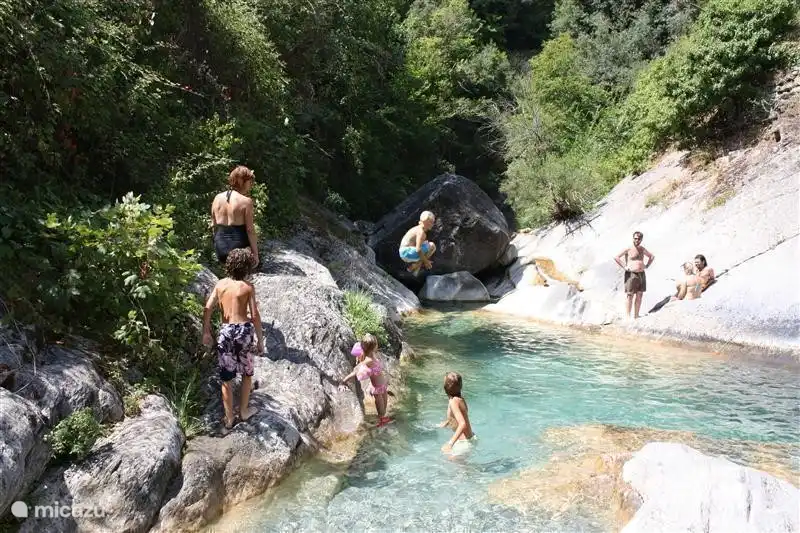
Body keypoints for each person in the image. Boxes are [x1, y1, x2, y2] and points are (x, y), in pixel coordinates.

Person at [202, 248, 264, 433]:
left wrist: (206, 330)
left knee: (226, 377)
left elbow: (207, 307)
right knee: (246, 372)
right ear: (246, 268)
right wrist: (260, 340)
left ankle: (229, 418)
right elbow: (254, 316)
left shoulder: (220, 285)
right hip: (244, 331)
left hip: (226, 331)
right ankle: (243, 411)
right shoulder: (247, 287)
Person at [339, 334, 391, 427]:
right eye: (376, 344)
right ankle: (381, 419)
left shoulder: (372, 355)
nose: (377, 346)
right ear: (373, 347)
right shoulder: (368, 360)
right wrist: (343, 382)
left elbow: (361, 347)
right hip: (377, 387)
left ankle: (383, 417)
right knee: (380, 404)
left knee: (385, 400)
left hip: (382, 385)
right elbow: (356, 371)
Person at [211, 165, 259, 267]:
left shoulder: (217, 198)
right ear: (242, 181)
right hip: (239, 251)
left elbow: (213, 226)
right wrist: (256, 255)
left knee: (229, 271)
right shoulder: (246, 202)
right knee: (242, 273)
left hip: (220, 248)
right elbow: (250, 230)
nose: (251, 184)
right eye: (250, 181)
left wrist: (218, 244)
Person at [614, 231, 655, 319]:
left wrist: (647, 265)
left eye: (639, 239)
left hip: (641, 274)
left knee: (640, 294)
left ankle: (636, 315)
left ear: (641, 239)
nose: (637, 240)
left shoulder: (642, 249)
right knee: (630, 295)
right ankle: (628, 316)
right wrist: (624, 266)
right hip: (631, 274)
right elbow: (616, 257)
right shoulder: (628, 248)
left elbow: (651, 256)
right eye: (635, 238)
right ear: (633, 238)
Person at [439, 372, 475, 455]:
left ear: (445, 387)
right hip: (470, 438)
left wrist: (450, 444)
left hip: (464, 443)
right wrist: (447, 422)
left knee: (455, 463)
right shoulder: (459, 399)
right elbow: (457, 415)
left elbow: (462, 423)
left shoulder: (453, 402)